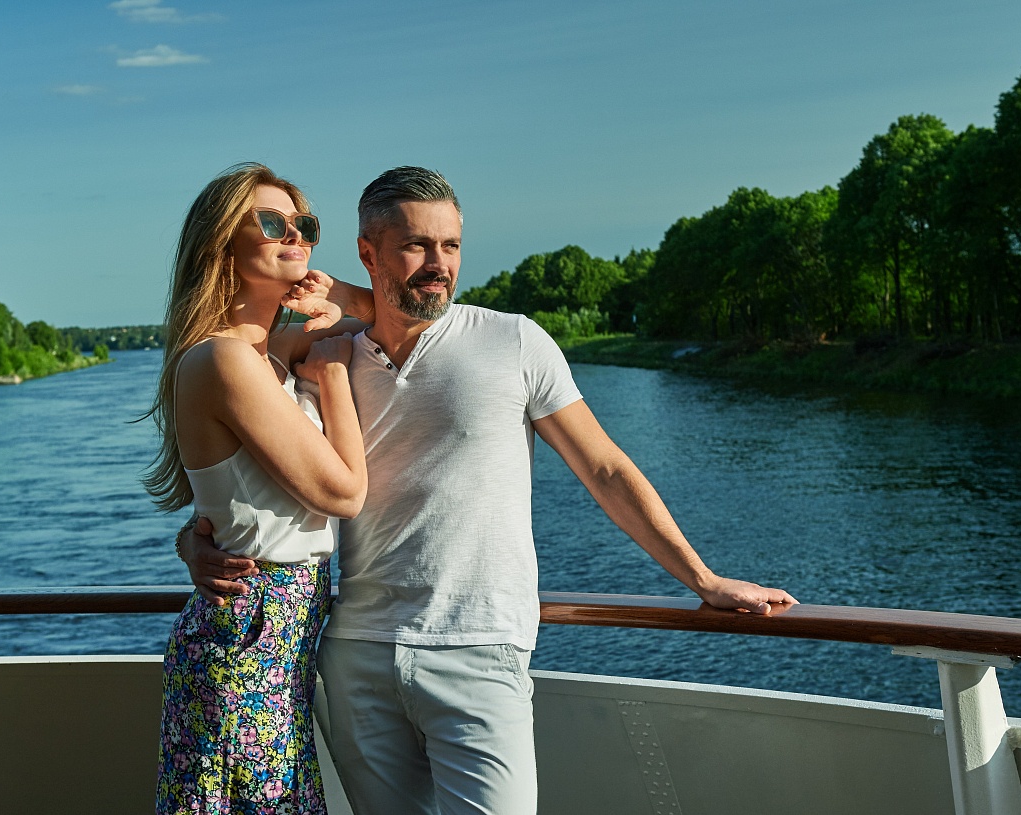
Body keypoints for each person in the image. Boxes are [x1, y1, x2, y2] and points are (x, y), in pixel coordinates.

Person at [179, 166, 796, 815]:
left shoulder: (513, 340)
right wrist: (195, 538)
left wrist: (703, 578)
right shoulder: (326, 350)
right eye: (416, 245)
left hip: (478, 648)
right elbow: (247, 477)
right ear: (369, 251)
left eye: (450, 245)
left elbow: (605, 470)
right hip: (357, 652)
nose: (438, 263)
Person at [144, 163, 368, 815]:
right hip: (250, 630)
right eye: (272, 223)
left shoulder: (267, 356)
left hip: (279, 635)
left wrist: (336, 296)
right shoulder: (224, 359)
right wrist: (333, 380)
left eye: (305, 225)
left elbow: (405, 318)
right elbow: (344, 493)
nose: (294, 234)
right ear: (221, 245)